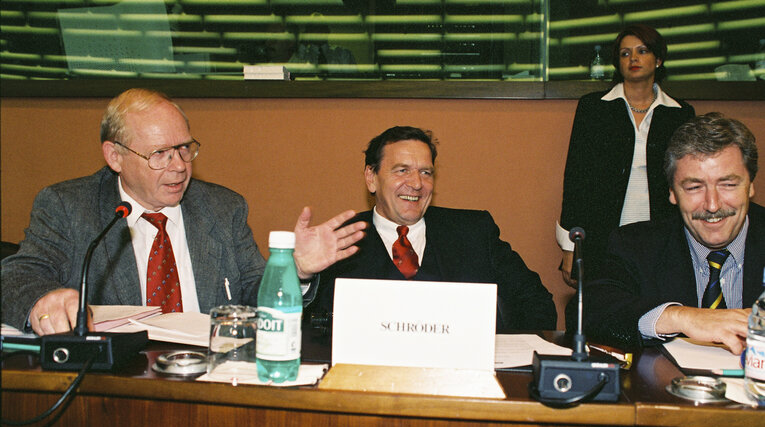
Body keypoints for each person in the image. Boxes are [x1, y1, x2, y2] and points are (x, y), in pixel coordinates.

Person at [1, 88, 365, 335]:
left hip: (209, 376)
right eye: (160, 153)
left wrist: (292, 269)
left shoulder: (223, 208)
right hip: (111, 384)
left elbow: (254, 299)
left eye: (185, 148)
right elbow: (17, 276)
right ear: (115, 156)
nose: (179, 166)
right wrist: (42, 298)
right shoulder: (69, 206)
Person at [307, 126, 557, 333]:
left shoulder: (474, 233)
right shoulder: (340, 240)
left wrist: (497, 355)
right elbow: (306, 323)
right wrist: (301, 276)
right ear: (371, 178)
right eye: (402, 170)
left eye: (425, 172)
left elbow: (537, 303)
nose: (416, 184)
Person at [583, 113, 763, 355]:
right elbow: (590, 311)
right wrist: (682, 317)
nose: (712, 204)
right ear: (672, 193)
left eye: (728, 184)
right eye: (694, 187)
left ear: (750, 185)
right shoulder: (635, 245)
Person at [558, 24, 695, 287]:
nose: (633, 59)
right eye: (625, 53)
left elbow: (689, 182)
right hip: (602, 233)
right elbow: (576, 178)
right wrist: (569, 245)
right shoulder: (593, 108)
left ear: (658, 60)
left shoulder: (681, 113)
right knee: (604, 308)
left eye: (642, 51)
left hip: (662, 235)